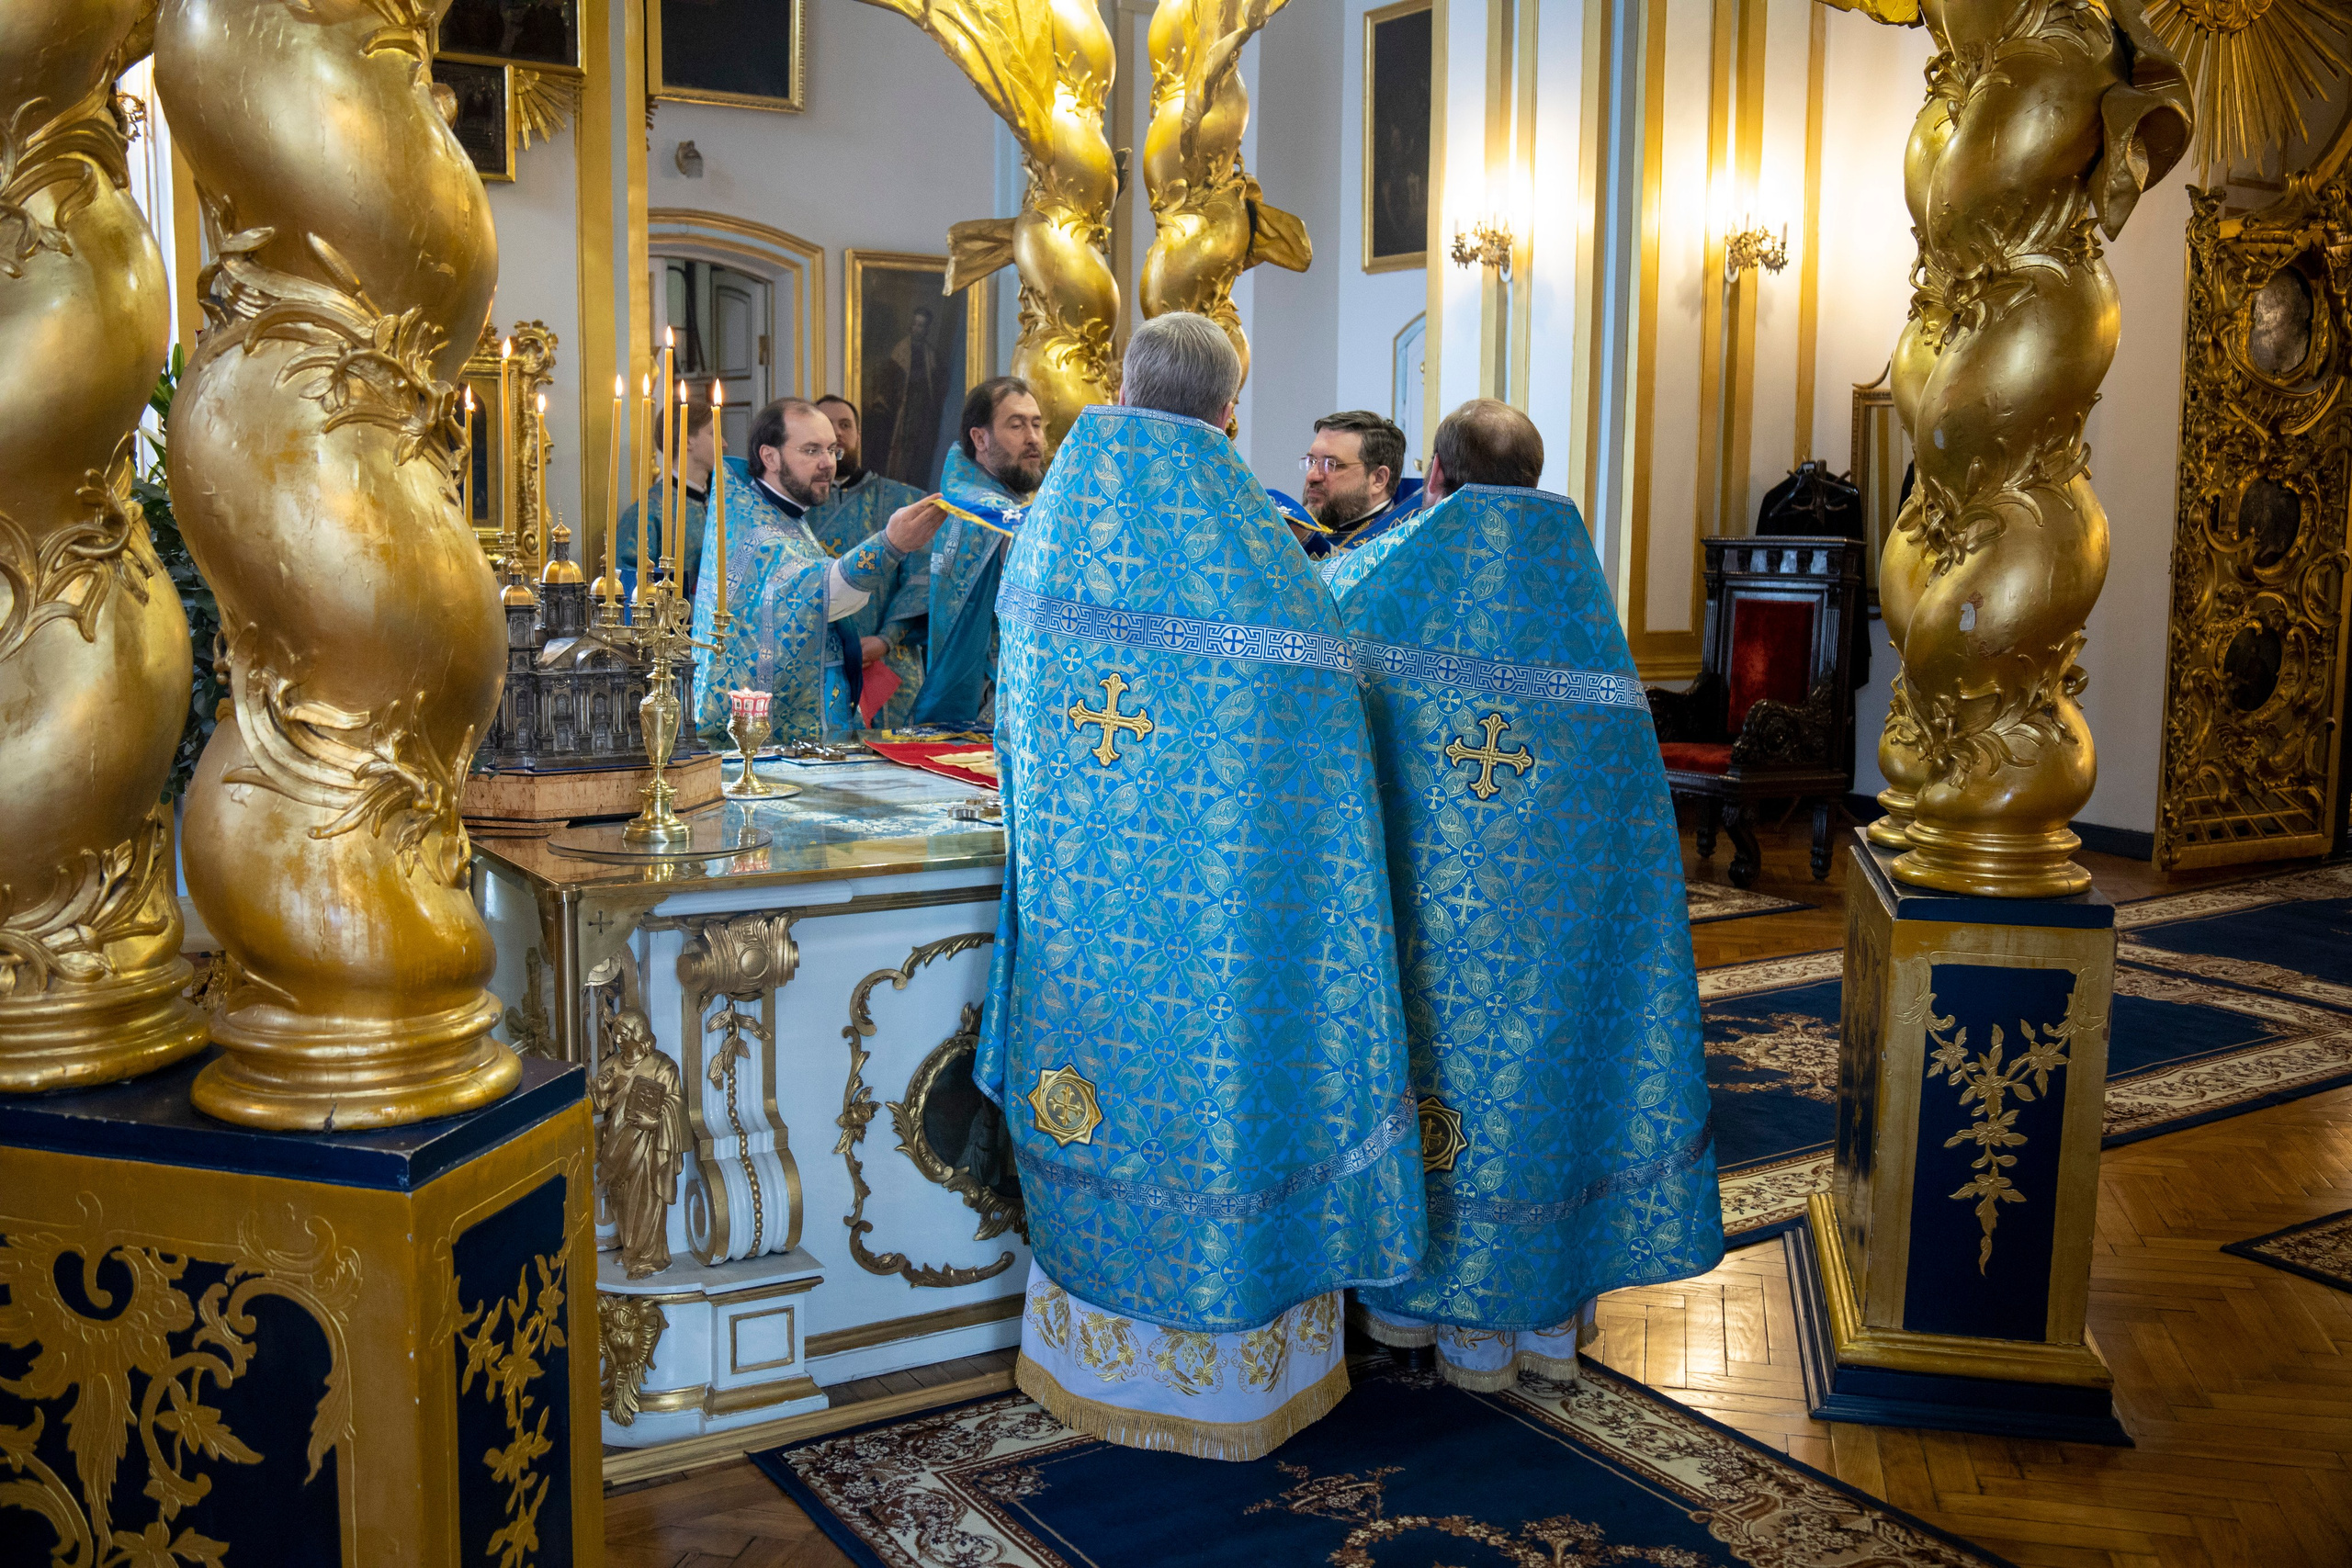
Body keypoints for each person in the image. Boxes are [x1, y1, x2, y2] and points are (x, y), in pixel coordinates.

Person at [978, 312, 1425, 1461]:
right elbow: (1325, 725)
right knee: (1224, 1096)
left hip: (1089, 910)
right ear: (1230, 408)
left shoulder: (1056, 528)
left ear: (1122, 386)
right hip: (1231, 931)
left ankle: (1093, 1355)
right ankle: (1232, 1377)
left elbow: (1015, 719)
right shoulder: (1253, 550)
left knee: (1106, 1086)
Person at [1325, 398, 1723, 1391]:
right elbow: (1630, 788)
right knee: (1537, 1092)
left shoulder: (1380, 580)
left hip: (1426, 915)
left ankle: (1422, 1314)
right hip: (1555, 922)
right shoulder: (1579, 597)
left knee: (1434, 1087)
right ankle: (1540, 1325)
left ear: (1438, 478)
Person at [689, 398, 946, 741]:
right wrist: (891, 543)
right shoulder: (754, 526)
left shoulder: (782, 513)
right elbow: (819, 593)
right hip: (760, 742)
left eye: (831, 451)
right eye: (811, 451)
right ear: (770, 456)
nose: (828, 464)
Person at [907, 377, 1046, 728]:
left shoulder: (969, 499)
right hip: (991, 704)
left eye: (1037, 424)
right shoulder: (992, 515)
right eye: (1016, 425)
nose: (1033, 438)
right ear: (980, 438)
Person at [808, 394, 930, 727]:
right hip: (817, 664)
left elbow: (921, 580)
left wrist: (885, 639)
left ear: (858, 436)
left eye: (845, 425)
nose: (837, 433)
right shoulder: (797, 509)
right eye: (826, 427)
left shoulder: (903, 499)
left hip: (891, 664)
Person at [616, 398, 714, 598]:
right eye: (713, 434)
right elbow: (629, 591)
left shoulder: (721, 505)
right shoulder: (648, 512)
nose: (724, 443)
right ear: (687, 440)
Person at [1300, 410, 1419, 559]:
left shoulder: (1399, 550)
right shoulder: (1317, 526)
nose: (1312, 476)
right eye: (1311, 462)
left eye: (1331, 464)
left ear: (1378, 479)